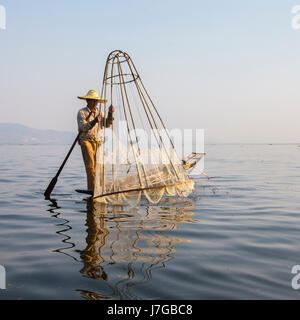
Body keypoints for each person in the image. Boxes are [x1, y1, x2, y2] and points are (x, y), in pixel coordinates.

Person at [77, 89, 114, 192]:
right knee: (90, 166)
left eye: (96, 101)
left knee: (100, 166)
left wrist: (110, 114)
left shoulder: (100, 112)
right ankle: (92, 188)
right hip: (86, 140)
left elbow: (107, 124)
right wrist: (93, 122)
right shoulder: (82, 112)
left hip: (97, 141)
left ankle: (103, 187)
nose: (94, 103)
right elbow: (83, 127)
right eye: (92, 100)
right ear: (88, 101)